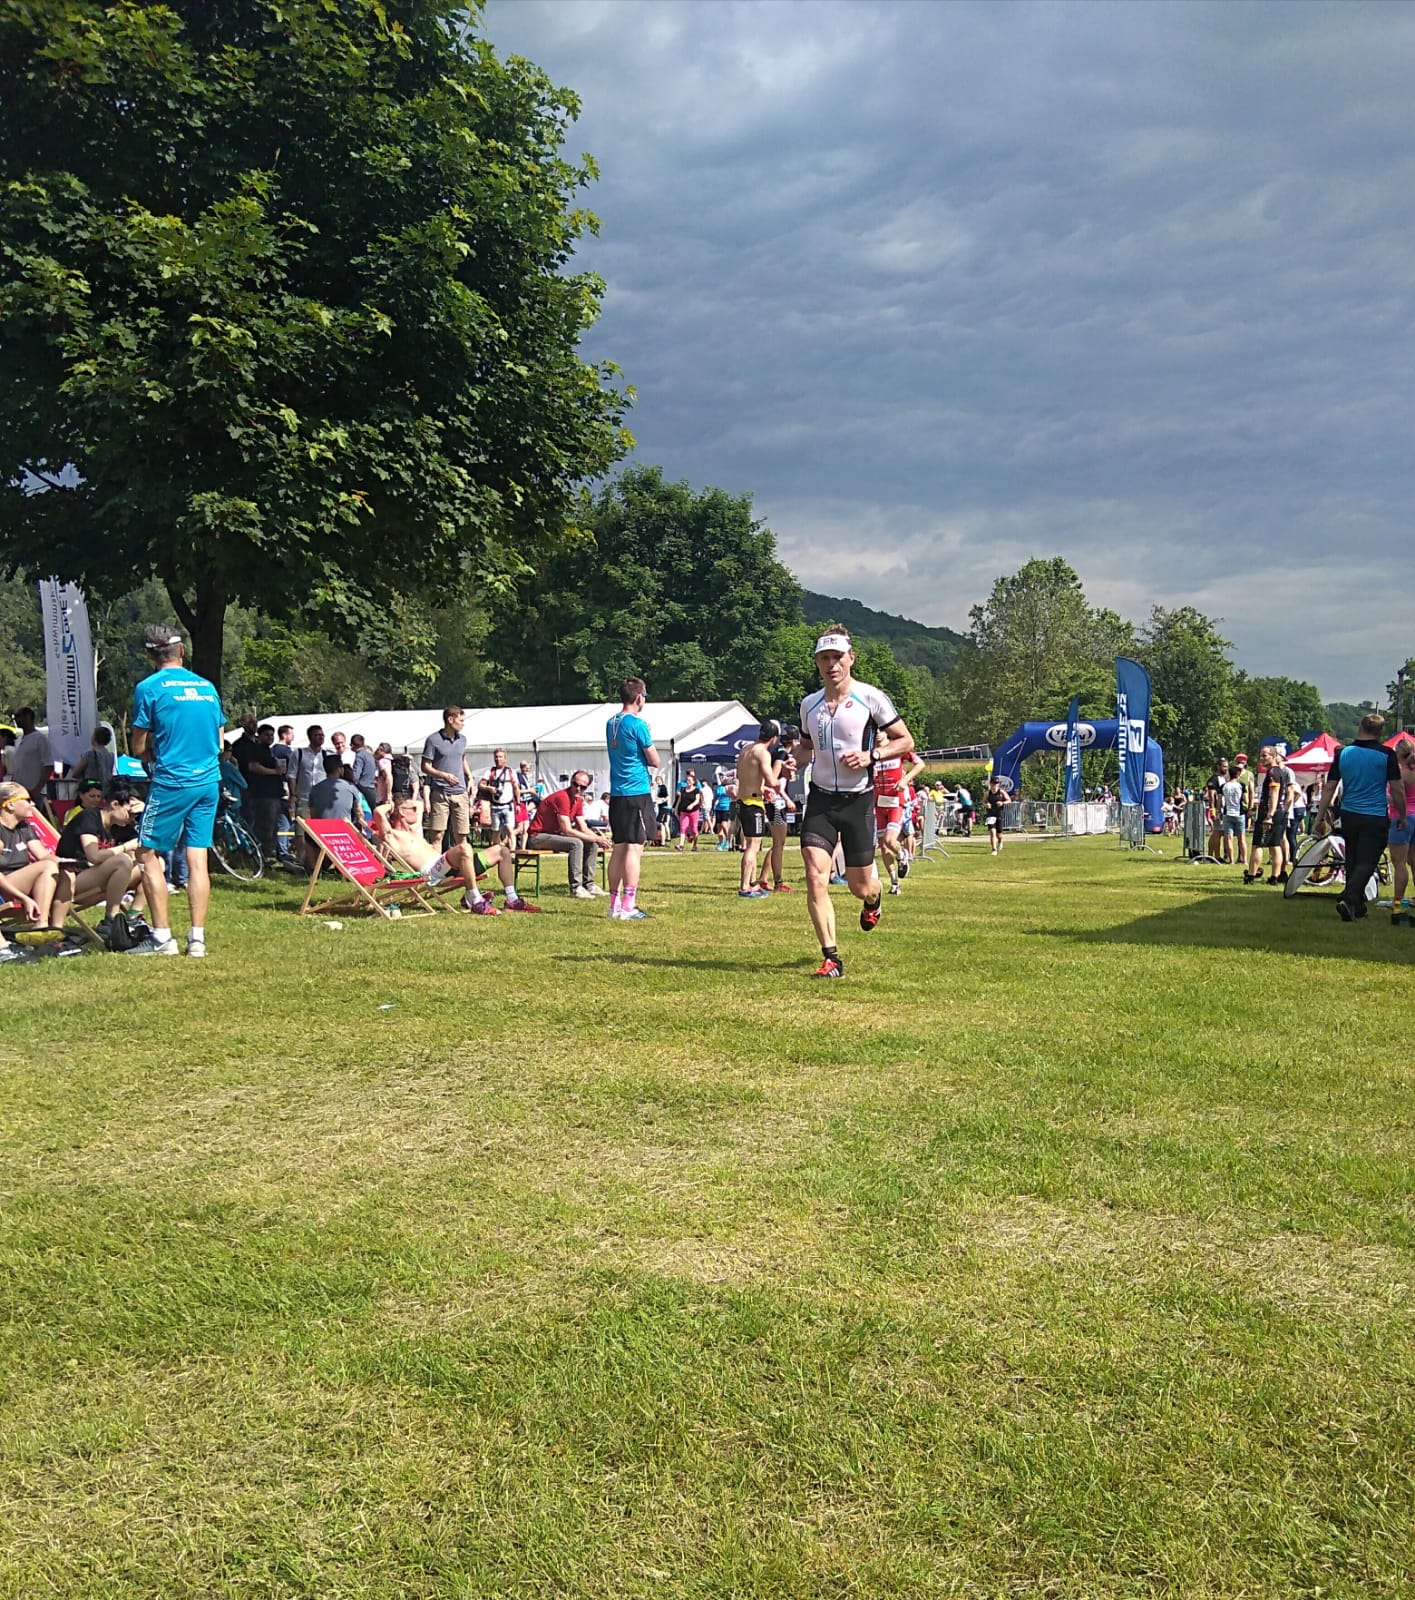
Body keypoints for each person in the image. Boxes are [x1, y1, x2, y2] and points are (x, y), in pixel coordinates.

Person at [793, 627, 914, 979]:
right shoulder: (809, 705)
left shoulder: (871, 698)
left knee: (860, 886)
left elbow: (905, 741)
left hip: (858, 801)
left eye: (837, 657)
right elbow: (806, 747)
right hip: (820, 800)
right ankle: (831, 958)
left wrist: (871, 755)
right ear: (817, 663)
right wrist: (791, 763)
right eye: (824, 658)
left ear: (851, 659)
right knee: (815, 875)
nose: (831, 664)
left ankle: (874, 900)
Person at [128, 624, 225, 957]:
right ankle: (197, 939)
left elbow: (138, 745)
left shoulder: (149, 687)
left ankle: (161, 938)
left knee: (147, 853)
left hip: (172, 780)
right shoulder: (207, 687)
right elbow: (220, 740)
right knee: (198, 857)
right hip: (208, 780)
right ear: (182, 650)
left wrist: (149, 755)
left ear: (149, 655)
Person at [374, 793, 538, 913]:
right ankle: (475, 900)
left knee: (502, 851)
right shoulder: (394, 835)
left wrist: (406, 805)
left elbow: (420, 806)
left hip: (447, 865)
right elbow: (378, 813)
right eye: (413, 808)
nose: (417, 811)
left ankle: (512, 899)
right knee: (464, 847)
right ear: (402, 812)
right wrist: (392, 805)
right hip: (432, 873)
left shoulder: (414, 831)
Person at [1314, 714, 1405, 921]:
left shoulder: (1343, 753)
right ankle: (1348, 898)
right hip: (1374, 815)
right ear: (1380, 732)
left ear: (1360, 728)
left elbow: (1329, 787)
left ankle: (1357, 906)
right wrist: (1401, 814)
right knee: (1368, 861)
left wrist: (1319, 817)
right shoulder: (1387, 754)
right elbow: (1397, 789)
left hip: (1349, 814)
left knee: (1352, 860)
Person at [54, 779, 142, 935]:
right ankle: (110, 920)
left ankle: (133, 917)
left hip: (100, 881)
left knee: (153, 864)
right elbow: (93, 856)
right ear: (115, 804)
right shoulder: (89, 816)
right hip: (72, 881)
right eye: (130, 813)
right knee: (122, 861)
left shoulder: (120, 824)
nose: (132, 818)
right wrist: (126, 847)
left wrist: (146, 814)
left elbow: (150, 850)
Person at [605, 677, 659, 921]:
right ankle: (629, 905)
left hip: (617, 793)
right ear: (639, 697)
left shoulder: (611, 723)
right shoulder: (638, 724)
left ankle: (614, 904)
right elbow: (654, 759)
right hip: (636, 791)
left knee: (619, 847)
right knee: (635, 847)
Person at [524, 771, 604, 899]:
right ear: (571, 782)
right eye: (576, 784)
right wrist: (595, 837)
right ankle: (576, 888)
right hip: (537, 837)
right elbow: (567, 830)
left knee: (592, 844)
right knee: (576, 843)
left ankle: (589, 885)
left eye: (583, 787)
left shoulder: (578, 800)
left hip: (553, 835)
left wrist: (600, 839)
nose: (578, 789)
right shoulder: (562, 797)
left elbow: (583, 827)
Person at [0, 781, 64, 929]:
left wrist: (66, 862)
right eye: (27, 800)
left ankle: (57, 928)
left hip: (20, 882)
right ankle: (41, 925)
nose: (33, 804)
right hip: (4, 889)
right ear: (10, 805)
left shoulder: (24, 827)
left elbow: (43, 855)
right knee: (48, 867)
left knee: (62, 870)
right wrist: (23, 898)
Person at [734, 722, 779, 899]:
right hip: (753, 804)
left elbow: (742, 776)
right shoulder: (763, 753)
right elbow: (771, 780)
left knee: (751, 844)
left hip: (742, 800)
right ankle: (745, 887)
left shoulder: (745, 750)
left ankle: (752, 882)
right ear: (773, 739)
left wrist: (761, 789)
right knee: (753, 846)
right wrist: (783, 772)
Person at [876, 745, 926, 890]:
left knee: (890, 840)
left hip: (895, 803)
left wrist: (905, 780)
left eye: (880, 732)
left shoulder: (898, 748)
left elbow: (920, 764)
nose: (877, 735)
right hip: (878, 804)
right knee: (883, 846)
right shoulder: (870, 751)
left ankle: (901, 853)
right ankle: (894, 882)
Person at [421, 706, 472, 848]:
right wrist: (443, 775)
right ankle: (436, 863)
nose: (463, 724)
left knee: (462, 836)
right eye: (461, 720)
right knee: (437, 836)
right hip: (440, 794)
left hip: (460, 793)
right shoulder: (433, 740)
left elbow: (462, 759)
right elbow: (425, 766)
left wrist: (470, 777)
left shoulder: (462, 740)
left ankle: (462, 862)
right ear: (450, 720)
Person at [1248, 745, 1294, 885]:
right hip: (1279, 811)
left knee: (1258, 845)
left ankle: (1251, 875)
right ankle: (1275, 877)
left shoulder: (1273, 772)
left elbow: (1274, 794)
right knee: (1275, 845)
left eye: (1265, 755)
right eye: (1260, 756)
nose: (1261, 758)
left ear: (1274, 756)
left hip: (1269, 812)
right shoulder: (1280, 771)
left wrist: (1269, 815)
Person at [1387, 737, 1415, 922]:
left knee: (1399, 863)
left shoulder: (1401, 774)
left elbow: (1397, 798)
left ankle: (1397, 902)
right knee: (1414, 861)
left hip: (1401, 818)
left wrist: (1384, 796)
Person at [8, 708, 53, 803]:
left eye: (18, 716)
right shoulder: (19, 740)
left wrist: (37, 790)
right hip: (18, 792)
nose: (15, 719)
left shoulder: (40, 739)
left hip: (34, 792)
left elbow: (49, 766)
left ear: (28, 717)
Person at [286, 726, 328, 824]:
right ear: (310, 737)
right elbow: (292, 775)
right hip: (303, 798)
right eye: (317, 735)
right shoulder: (299, 753)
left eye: (322, 735)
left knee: (320, 827)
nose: (320, 737)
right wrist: (293, 795)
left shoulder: (327, 755)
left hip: (322, 799)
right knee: (302, 827)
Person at [483, 749, 518, 846]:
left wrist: (518, 803)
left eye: (500, 757)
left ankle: (512, 852)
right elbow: (481, 785)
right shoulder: (490, 772)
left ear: (505, 759)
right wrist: (489, 788)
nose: (498, 759)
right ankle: (496, 850)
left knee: (510, 830)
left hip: (508, 805)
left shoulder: (511, 772)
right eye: (496, 757)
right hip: (495, 806)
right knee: (496, 831)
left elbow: (516, 788)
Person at [68, 726, 117, 793]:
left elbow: (75, 773)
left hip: (90, 791)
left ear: (94, 738)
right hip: (105, 791)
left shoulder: (90, 754)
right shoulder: (111, 756)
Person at [1219, 765, 1246, 865]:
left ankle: (1231, 860)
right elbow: (1245, 799)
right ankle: (1245, 860)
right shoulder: (1241, 785)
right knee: (1241, 838)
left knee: (1229, 838)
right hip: (1239, 813)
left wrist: (1218, 811)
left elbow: (1219, 800)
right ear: (1238, 775)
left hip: (1227, 813)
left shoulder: (1224, 786)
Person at [347, 735, 378, 810]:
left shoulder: (359, 756)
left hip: (363, 787)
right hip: (372, 787)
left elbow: (356, 776)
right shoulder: (369, 755)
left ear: (353, 745)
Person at [675, 774, 702, 852]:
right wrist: (676, 808)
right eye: (687, 780)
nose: (688, 782)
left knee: (694, 829)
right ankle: (681, 845)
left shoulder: (696, 790)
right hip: (684, 811)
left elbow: (697, 800)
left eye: (690, 780)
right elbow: (680, 799)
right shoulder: (683, 789)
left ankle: (694, 845)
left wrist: (692, 805)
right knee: (683, 828)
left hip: (694, 811)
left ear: (693, 782)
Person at [983, 775, 1008, 855]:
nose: (995, 785)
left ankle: (1000, 841)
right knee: (992, 832)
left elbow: (1009, 800)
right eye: (993, 784)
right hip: (990, 814)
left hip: (999, 814)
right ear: (990, 784)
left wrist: (1002, 803)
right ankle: (994, 849)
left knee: (999, 834)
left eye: (996, 784)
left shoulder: (1001, 792)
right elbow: (983, 802)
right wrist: (986, 805)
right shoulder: (987, 793)